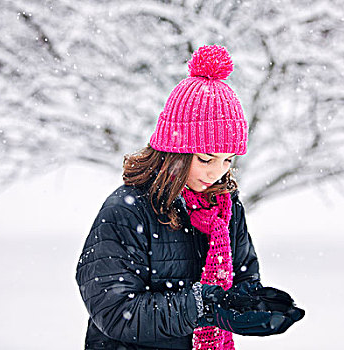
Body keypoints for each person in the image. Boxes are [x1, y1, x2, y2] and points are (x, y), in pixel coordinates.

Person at [75, 45, 305, 350]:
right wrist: (204, 306)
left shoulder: (225, 207)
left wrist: (247, 303)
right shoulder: (126, 211)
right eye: (206, 159)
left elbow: (242, 275)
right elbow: (116, 313)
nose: (216, 173)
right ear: (174, 152)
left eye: (227, 160)